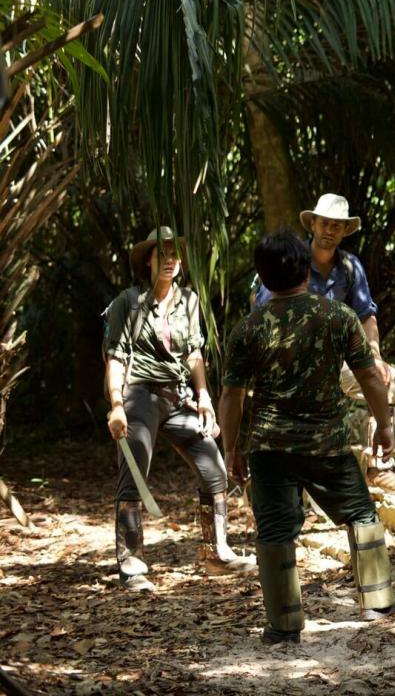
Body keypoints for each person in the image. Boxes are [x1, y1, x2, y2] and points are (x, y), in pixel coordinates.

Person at [220, 230, 395, 644]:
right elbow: (370, 378)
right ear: (307, 269)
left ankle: (283, 625)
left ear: (262, 277)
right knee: (360, 515)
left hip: (269, 447)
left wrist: (231, 448)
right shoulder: (338, 317)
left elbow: (232, 396)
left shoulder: (248, 329)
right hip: (328, 443)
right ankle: (379, 601)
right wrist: (385, 425)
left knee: (274, 530)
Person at [104, 226, 254, 591]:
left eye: (175, 253)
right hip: (139, 393)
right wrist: (117, 405)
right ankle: (132, 562)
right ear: (149, 260)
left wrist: (204, 397)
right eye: (163, 253)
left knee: (212, 465)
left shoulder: (189, 301)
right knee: (135, 463)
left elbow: (194, 354)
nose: (170, 259)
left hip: (178, 396)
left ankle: (215, 551)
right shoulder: (129, 301)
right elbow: (115, 356)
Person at [253, 193, 395, 496]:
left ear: (345, 231)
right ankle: (283, 483)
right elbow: (266, 312)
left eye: (337, 226)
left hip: (336, 361)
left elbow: (367, 315)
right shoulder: (293, 260)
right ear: (313, 224)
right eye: (325, 223)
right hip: (291, 365)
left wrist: (375, 355)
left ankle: (380, 467)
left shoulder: (350, 267)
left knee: (386, 379)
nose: (330, 230)